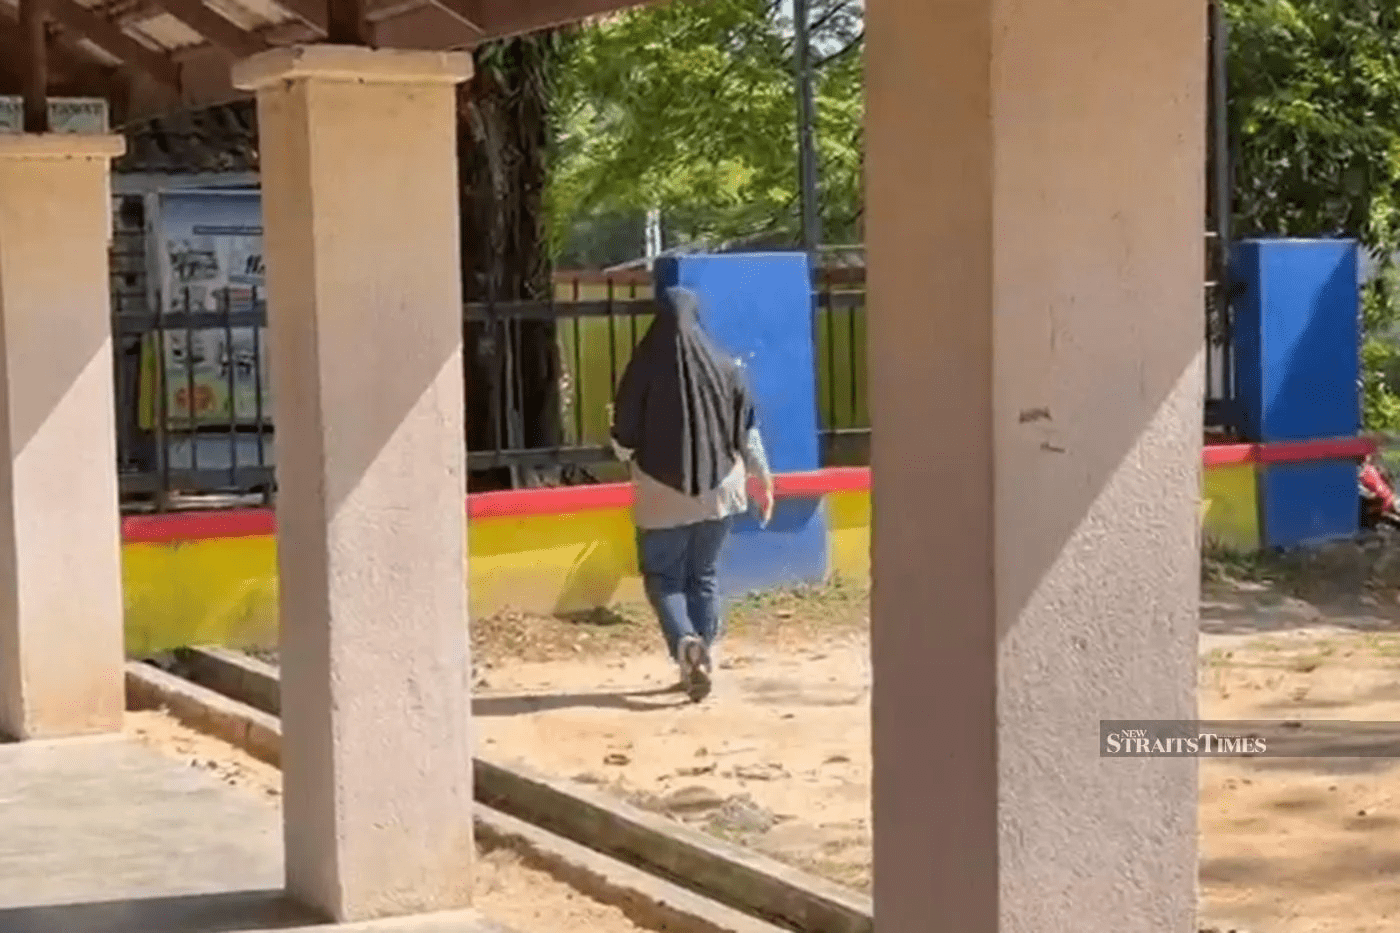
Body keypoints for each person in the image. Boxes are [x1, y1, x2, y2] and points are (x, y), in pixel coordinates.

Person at [608, 286, 774, 702]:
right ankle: (704, 656)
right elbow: (747, 431)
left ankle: (685, 643)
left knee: (664, 578)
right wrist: (763, 479)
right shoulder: (726, 366)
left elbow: (624, 435)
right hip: (722, 490)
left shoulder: (643, 366)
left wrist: (626, 453)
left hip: (661, 491)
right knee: (703, 576)